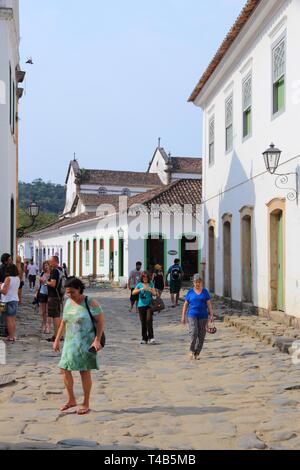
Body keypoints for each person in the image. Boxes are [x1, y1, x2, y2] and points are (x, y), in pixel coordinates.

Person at [53, 277, 105, 416]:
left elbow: (100, 321)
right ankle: (71, 399)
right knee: (64, 368)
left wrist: (97, 340)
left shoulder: (90, 302)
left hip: (86, 342)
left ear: (79, 289)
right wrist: (57, 339)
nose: (70, 295)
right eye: (67, 292)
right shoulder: (68, 302)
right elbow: (64, 322)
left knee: (84, 371)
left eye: (72, 292)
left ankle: (86, 402)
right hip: (70, 342)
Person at [181, 274, 214, 360]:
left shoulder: (205, 292)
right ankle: (191, 350)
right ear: (193, 283)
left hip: (203, 315)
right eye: (196, 282)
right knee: (194, 332)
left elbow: (209, 303)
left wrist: (211, 314)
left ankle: (197, 353)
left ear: (201, 282)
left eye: (199, 282)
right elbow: (185, 304)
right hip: (192, 315)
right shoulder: (190, 292)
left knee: (202, 335)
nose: (197, 284)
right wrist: (183, 316)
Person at [132, 271, 157, 345]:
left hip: (149, 305)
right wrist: (140, 289)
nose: (145, 278)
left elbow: (155, 293)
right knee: (143, 322)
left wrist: (150, 290)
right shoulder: (139, 284)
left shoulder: (151, 284)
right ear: (142, 277)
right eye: (143, 277)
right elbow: (133, 292)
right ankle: (144, 338)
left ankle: (151, 337)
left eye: (146, 277)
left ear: (148, 277)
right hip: (141, 306)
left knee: (149, 320)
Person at [0, 264, 20, 342]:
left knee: (8, 320)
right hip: (14, 300)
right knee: (12, 320)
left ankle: (11, 336)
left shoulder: (8, 278)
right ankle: (13, 335)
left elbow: (4, 292)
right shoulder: (17, 278)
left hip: (7, 301)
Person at [46, 256, 64, 342]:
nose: (49, 262)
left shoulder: (54, 271)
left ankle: (57, 335)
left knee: (55, 316)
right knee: (57, 315)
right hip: (59, 295)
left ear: (55, 261)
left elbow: (53, 284)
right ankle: (59, 334)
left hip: (53, 295)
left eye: (50, 260)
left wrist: (45, 281)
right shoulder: (60, 270)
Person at [35, 261, 51, 334]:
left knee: (48, 311)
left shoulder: (52, 274)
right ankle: (44, 324)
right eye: (44, 265)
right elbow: (39, 285)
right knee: (43, 312)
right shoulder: (42, 274)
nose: (46, 267)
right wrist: (36, 293)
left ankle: (48, 327)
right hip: (42, 293)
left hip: (50, 294)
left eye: (47, 265)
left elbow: (52, 284)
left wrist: (45, 281)